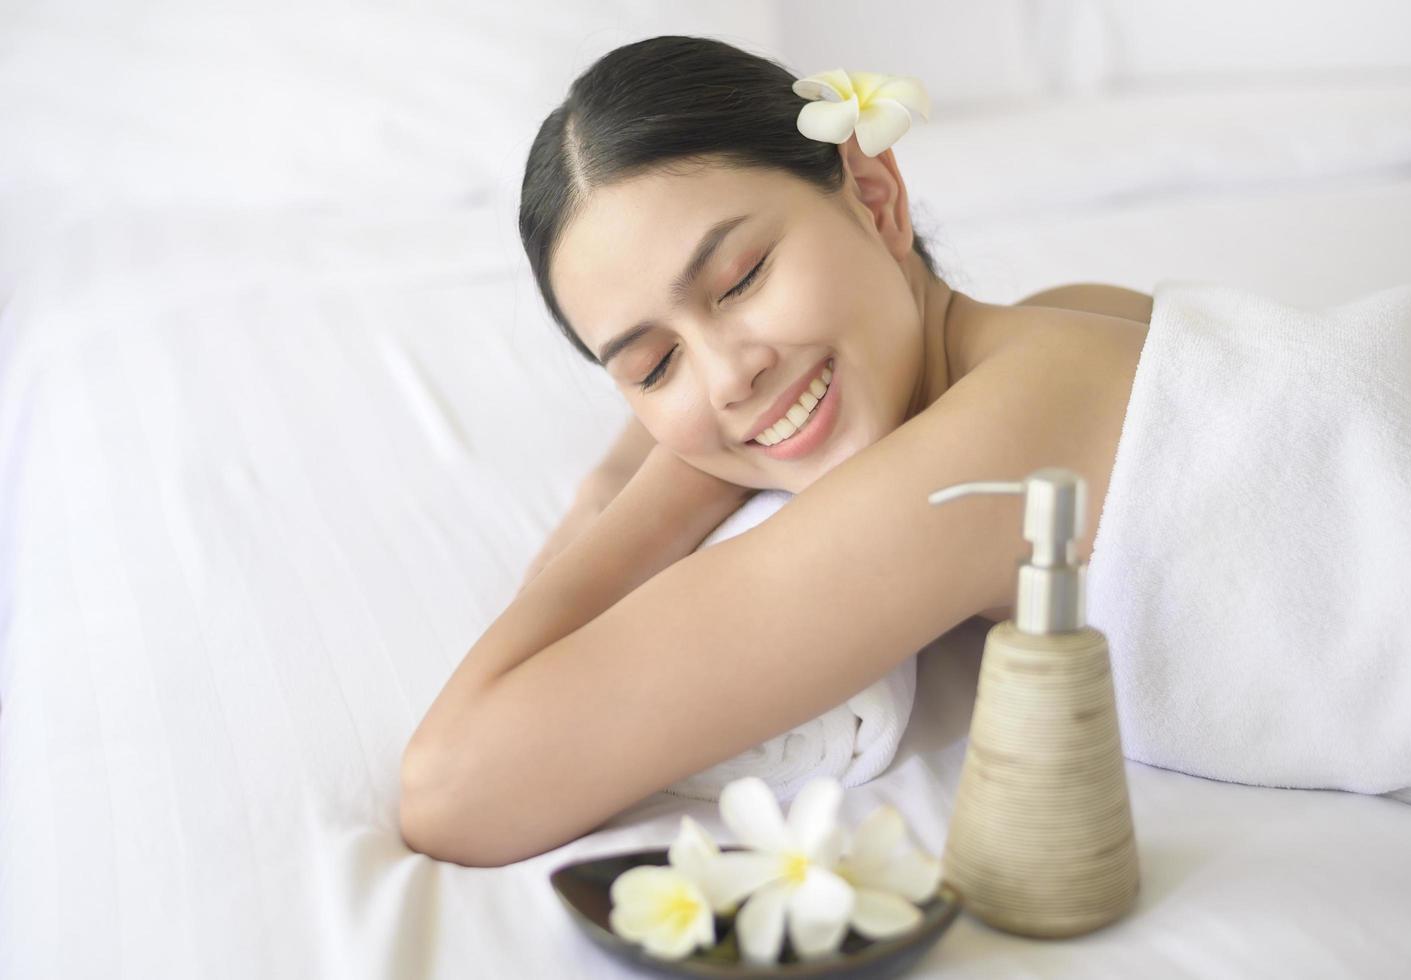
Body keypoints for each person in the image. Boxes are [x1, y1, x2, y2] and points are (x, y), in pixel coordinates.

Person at [400, 35, 1153, 867]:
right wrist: (621, 468)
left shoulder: (993, 455)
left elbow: (452, 793)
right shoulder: (1072, 320)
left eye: (741, 278)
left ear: (871, 193)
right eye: (654, 366)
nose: (728, 376)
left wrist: (672, 480)